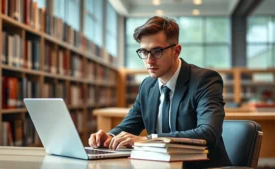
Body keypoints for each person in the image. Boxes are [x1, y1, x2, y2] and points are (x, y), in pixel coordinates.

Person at [89, 16, 232, 168]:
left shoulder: (204, 80)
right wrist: (109, 136)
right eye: (144, 52)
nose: (149, 61)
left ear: (176, 51)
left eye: (157, 51)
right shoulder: (147, 85)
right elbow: (130, 125)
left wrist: (149, 140)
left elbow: (208, 133)